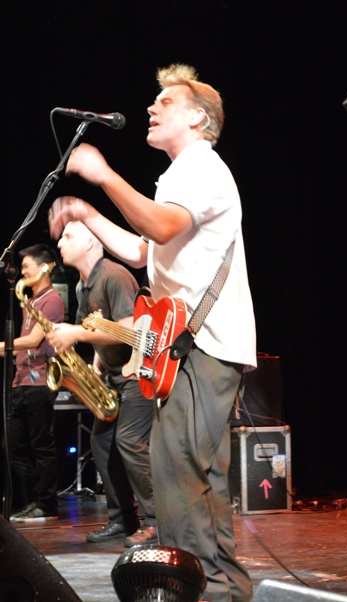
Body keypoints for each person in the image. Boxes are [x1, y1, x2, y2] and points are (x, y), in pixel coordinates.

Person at [49, 64, 257, 601]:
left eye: (165, 101)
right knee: (196, 470)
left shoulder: (202, 166)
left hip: (202, 344)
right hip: (192, 345)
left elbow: (159, 226)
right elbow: (146, 250)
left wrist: (103, 175)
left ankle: (203, 587)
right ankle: (224, 585)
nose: (151, 107)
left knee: (178, 467)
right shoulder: (181, 174)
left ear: (197, 117)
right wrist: (89, 214)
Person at [46, 220, 157, 545]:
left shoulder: (114, 275)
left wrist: (75, 334)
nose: (61, 242)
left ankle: (156, 521)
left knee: (129, 442)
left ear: (92, 244)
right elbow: (96, 331)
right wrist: (95, 362)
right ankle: (123, 519)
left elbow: (127, 328)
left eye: (69, 236)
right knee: (102, 443)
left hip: (137, 374)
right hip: (112, 376)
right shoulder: (83, 285)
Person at [0, 244, 64, 521]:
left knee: (41, 446)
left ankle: (47, 505)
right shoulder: (30, 301)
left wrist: (2, 346)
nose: (23, 270)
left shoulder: (52, 300)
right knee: (15, 445)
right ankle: (29, 501)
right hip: (22, 381)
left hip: (39, 384)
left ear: (44, 268)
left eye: (27, 266)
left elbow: (33, 341)